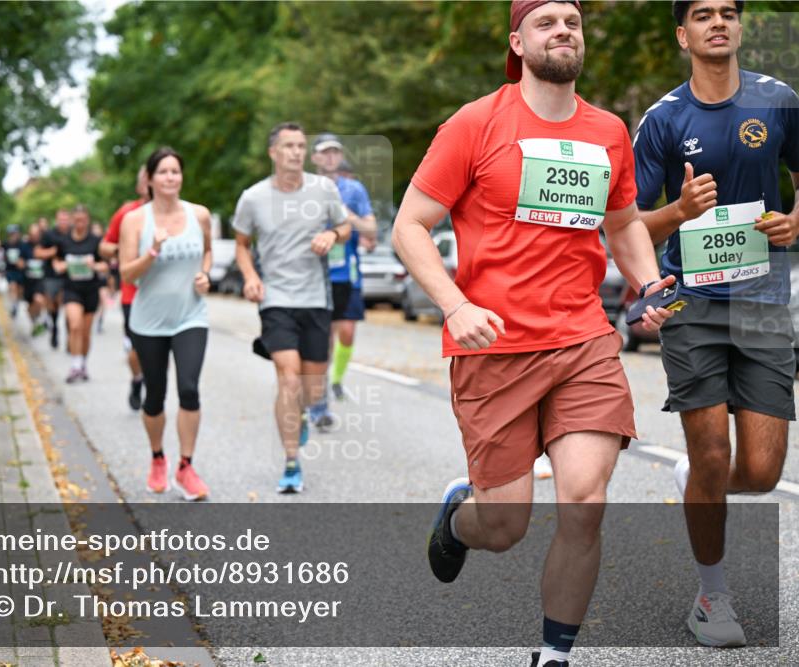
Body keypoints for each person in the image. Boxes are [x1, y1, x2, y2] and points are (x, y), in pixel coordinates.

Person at [391, 3, 676, 665]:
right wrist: (455, 303)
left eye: (573, 20)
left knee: (584, 498)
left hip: (584, 340)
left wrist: (647, 279)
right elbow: (410, 225)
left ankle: (555, 653)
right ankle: (461, 519)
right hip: (493, 345)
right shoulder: (475, 122)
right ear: (518, 42)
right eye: (547, 21)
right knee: (505, 524)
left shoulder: (607, 131)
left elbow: (624, 221)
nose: (564, 30)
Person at [633, 0, 799, 648]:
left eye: (728, 10)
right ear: (683, 34)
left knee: (759, 470)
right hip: (691, 304)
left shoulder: (779, 99)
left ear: (739, 26)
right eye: (702, 13)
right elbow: (626, 223)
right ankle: (713, 596)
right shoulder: (665, 118)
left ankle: (698, 483)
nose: (718, 21)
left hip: (764, 300)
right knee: (710, 450)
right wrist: (678, 208)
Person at [233, 122, 353, 494]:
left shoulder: (324, 189)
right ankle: (290, 462)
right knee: (288, 376)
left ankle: (302, 413)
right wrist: (251, 276)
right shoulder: (253, 198)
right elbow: (241, 244)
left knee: (312, 389)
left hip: (316, 298)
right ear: (273, 153)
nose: (297, 152)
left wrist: (332, 234)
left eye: (301, 146)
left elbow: (346, 226)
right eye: (288, 146)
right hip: (276, 300)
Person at [119, 147, 212, 501]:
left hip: (191, 315)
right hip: (149, 321)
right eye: (164, 172)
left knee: (189, 388)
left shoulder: (199, 214)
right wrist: (152, 251)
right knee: (154, 396)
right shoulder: (135, 221)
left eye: (176, 171)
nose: (171, 177)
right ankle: (158, 457)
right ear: (151, 180)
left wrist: (204, 273)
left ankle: (186, 467)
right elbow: (127, 272)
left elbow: (206, 251)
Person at [309, 133, 378, 427]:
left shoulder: (354, 190)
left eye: (335, 152)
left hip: (346, 274)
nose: (330, 157)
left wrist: (347, 216)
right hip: (313, 273)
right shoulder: (305, 189)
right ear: (315, 158)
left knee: (346, 332)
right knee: (322, 340)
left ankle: (334, 380)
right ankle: (319, 404)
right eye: (324, 152)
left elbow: (371, 229)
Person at [100, 165, 149, 411]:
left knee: (161, 348)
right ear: (141, 185)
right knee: (138, 347)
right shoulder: (128, 213)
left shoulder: (178, 213)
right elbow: (104, 247)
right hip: (134, 294)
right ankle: (138, 379)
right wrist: (125, 251)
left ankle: (154, 382)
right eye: (146, 179)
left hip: (167, 296)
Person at [53, 205, 108, 383]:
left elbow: (106, 266)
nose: (80, 224)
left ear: (88, 220)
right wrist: (60, 266)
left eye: (83, 220)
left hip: (90, 290)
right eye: (76, 220)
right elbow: (56, 261)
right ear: (72, 220)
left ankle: (83, 363)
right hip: (71, 289)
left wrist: (94, 266)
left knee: (85, 332)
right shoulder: (65, 240)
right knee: (75, 325)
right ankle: (75, 366)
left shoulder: (96, 241)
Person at [37, 208, 73, 349]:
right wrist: (52, 252)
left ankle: (71, 338)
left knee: (69, 305)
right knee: (53, 305)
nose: (63, 222)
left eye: (66, 219)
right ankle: (54, 328)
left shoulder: (72, 234)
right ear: (57, 220)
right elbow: (38, 252)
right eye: (61, 219)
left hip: (69, 276)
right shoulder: (49, 235)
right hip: (51, 275)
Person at [19, 222, 49, 336]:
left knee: (39, 299)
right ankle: (35, 323)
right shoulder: (24, 245)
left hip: (40, 279)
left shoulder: (44, 244)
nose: (35, 236)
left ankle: (42, 319)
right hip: (28, 280)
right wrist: (25, 264)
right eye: (33, 233)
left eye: (37, 233)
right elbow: (19, 261)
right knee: (29, 307)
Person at [4, 225, 25, 318]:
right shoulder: (6, 244)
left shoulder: (22, 244)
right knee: (12, 286)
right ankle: (13, 305)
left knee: (19, 290)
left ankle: (17, 303)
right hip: (10, 269)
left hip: (20, 270)